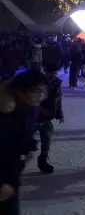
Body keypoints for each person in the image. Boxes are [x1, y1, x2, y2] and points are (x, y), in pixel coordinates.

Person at [0, 69, 48, 214]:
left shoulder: (29, 108)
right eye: (36, 91)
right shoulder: (3, 115)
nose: (42, 96)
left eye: (43, 90)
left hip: (11, 177)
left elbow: (24, 133)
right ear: (20, 91)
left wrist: (29, 146)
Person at [36, 64, 64, 174]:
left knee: (46, 140)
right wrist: (41, 110)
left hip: (47, 117)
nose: (53, 75)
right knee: (25, 142)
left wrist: (60, 114)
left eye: (55, 73)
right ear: (45, 72)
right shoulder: (38, 83)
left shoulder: (56, 83)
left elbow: (59, 100)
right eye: (51, 73)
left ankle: (42, 161)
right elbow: (31, 100)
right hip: (33, 117)